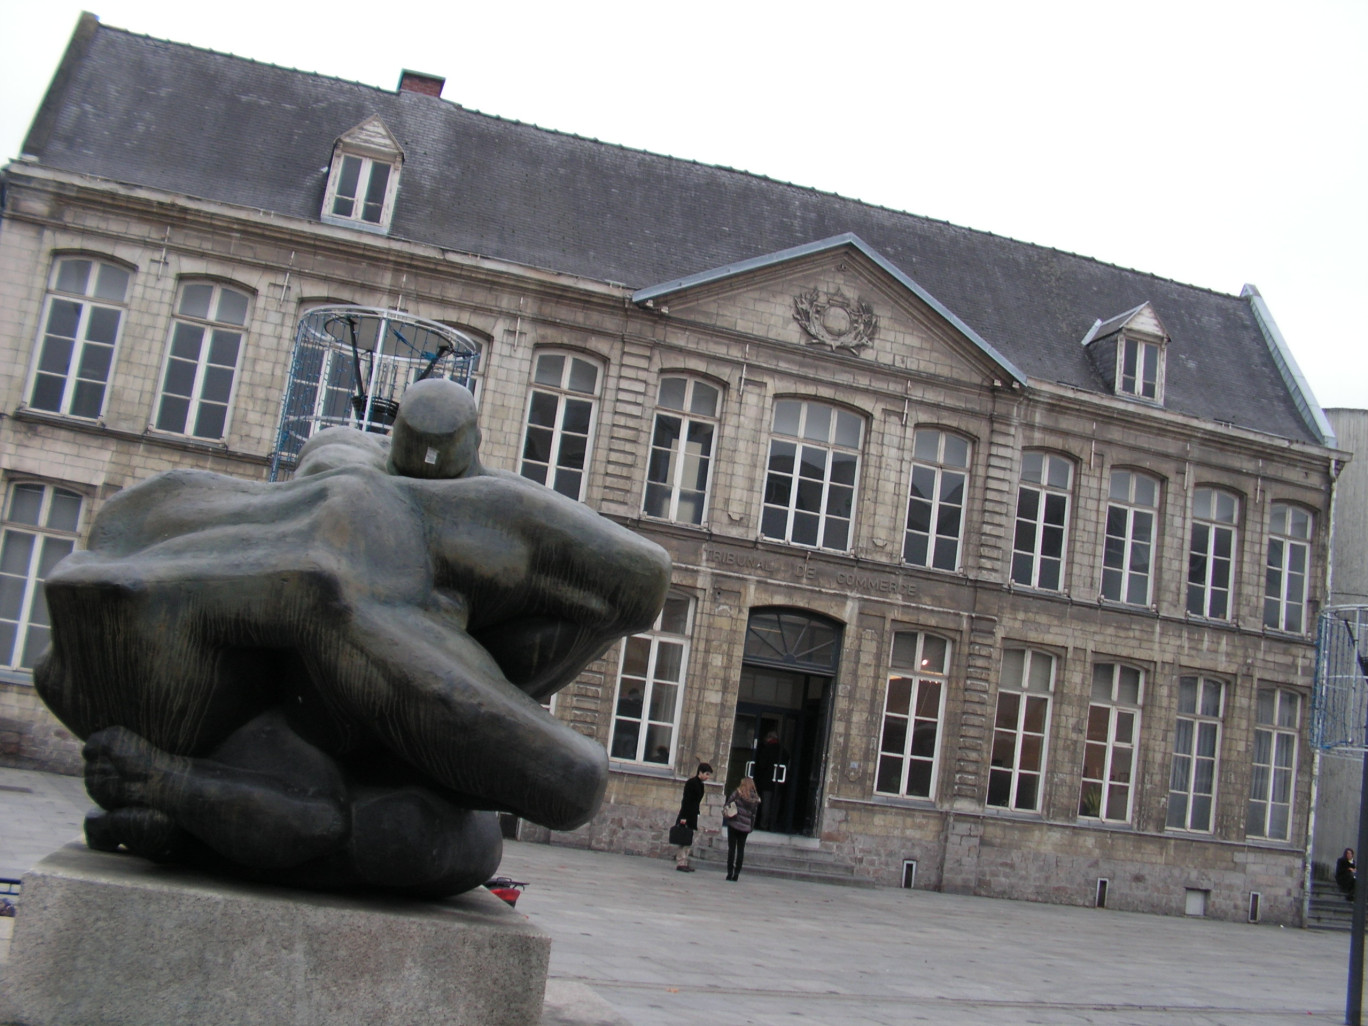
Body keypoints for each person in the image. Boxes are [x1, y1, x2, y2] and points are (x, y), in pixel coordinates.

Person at [35, 379, 672, 896]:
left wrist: (167, 785)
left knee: (536, 791)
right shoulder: (329, 501)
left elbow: (305, 820)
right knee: (520, 802)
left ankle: (444, 514)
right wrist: (167, 785)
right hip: (333, 584)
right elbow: (307, 821)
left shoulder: (341, 474)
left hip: (338, 582)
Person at [674, 762, 712, 872]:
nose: (707, 777)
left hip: (693, 814)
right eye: (706, 774)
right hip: (686, 814)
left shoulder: (700, 784)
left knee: (689, 839)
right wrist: (684, 817)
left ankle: (685, 861)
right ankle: (681, 862)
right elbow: (686, 800)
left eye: (708, 775)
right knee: (683, 838)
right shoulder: (691, 783)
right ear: (700, 772)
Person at [722, 776, 761, 882]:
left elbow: (727, 804)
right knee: (741, 850)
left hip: (734, 823)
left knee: (732, 848)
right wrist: (751, 827)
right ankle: (736, 874)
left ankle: (729, 873)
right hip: (745, 827)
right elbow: (753, 815)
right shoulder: (754, 798)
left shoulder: (737, 793)